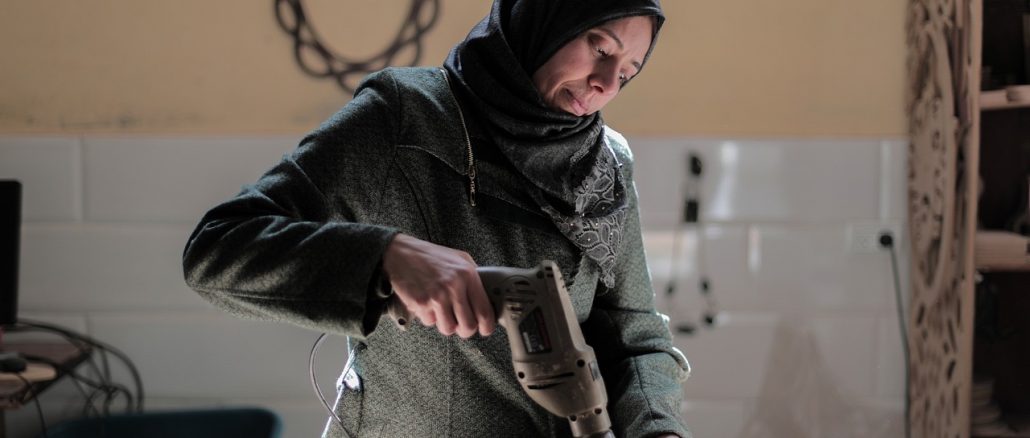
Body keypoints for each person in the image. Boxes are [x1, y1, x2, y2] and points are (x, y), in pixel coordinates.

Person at [182, 0, 691, 436]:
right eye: (600, 49)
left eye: (627, 73)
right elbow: (217, 251)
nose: (606, 83)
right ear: (543, 19)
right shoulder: (408, 116)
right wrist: (385, 258)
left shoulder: (605, 166)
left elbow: (636, 340)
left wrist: (658, 428)